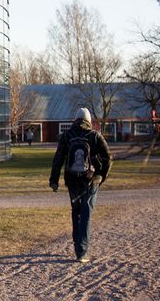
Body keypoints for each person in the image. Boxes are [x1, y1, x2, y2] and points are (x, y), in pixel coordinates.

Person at [49, 107, 112, 263]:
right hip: (90, 181)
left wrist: (54, 180)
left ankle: (78, 246)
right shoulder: (95, 136)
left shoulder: (66, 136)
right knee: (86, 214)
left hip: (72, 180)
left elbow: (58, 159)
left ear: (75, 120)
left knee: (76, 212)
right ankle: (82, 252)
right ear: (89, 121)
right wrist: (101, 176)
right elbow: (108, 159)